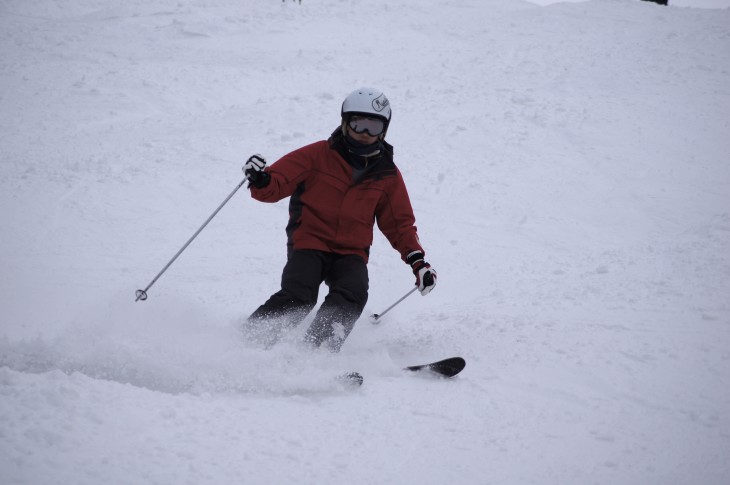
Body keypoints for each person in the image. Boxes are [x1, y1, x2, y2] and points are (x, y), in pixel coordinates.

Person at [243, 87, 437, 352]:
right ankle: (249, 341)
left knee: (352, 293)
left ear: (384, 129)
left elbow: (399, 223)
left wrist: (418, 262)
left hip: (351, 252)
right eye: (358, 124)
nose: (365, 134)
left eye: (374, 126)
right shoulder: (317, 155)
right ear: (345, 122)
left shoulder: (387, 174)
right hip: (309, 242)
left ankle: (314, 353)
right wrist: (261, 179)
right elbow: (276, 183)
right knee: (299, 296)